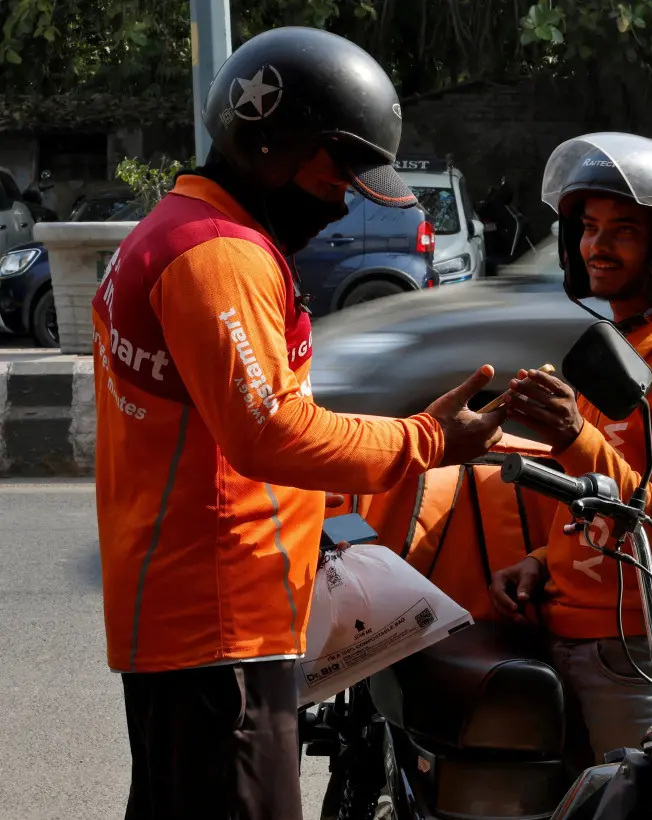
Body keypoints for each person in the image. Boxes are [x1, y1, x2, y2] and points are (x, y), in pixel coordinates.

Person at [91, 27, 504, 820]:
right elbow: (268, 433)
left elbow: (224, 430)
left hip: (190, 618)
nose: (346, 195)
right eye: (339, 169)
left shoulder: (175, 232)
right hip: (221, 629)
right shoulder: (217, 256)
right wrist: (426, 441)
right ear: (275, 144)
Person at [487, 132, 652, 764]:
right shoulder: (617, 350)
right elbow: (594, 496)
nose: (595, 246)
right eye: (588, 227)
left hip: (633, 650)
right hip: (561, 627)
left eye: (623, 231)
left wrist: (573, 436)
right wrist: (541, 559)